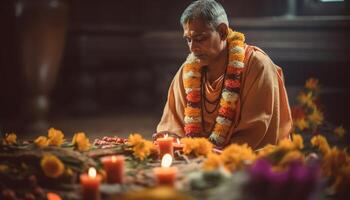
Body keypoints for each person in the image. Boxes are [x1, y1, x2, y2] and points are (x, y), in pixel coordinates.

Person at [156, 0, 292, 150]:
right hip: (193, 158)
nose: (193, 48)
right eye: (188, 40)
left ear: (222, 32)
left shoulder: (256, 65)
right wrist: (172, 141)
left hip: (244, 159)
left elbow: (254, 132)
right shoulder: (187, 71)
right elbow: (173, 126)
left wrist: (213, 155)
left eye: (200, 39)